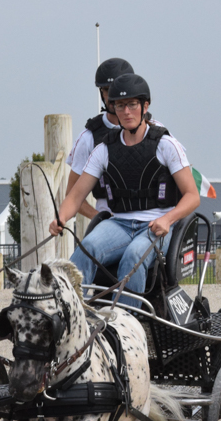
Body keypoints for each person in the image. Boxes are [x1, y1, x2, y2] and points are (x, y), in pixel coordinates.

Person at [50, 73, 200, 306]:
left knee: (133, 256)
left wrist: (168, 219)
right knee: (88, 247)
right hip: (118, 223)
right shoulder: (104, 149)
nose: (126, 112)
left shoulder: (165, 144)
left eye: (132, 105)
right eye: (120, 106)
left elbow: (192, 196)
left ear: (145, 106)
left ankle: (125, 324)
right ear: (113, 109)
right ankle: (68, 313)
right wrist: (61, 217)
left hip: (156, 226)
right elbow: (76, 196)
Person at [65, 58, 164, 219]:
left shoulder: (156, 131)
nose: (113, 95)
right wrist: (100, 218)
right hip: (110, 218)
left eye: (117, 88)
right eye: (107, 90)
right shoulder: (88, 137)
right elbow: (72, 194)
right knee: (88, 245)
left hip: (151, 216)